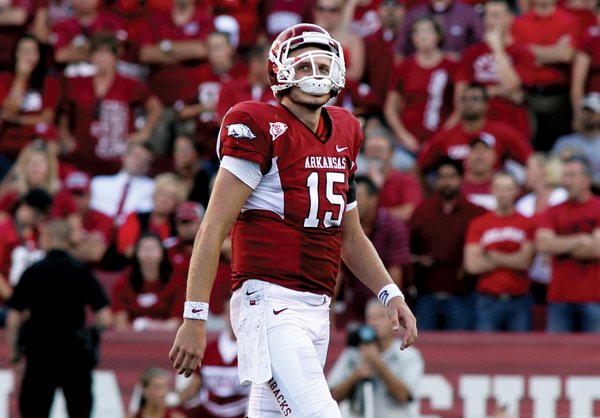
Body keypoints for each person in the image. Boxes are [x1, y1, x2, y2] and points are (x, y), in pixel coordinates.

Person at [169, 23, 417, 418]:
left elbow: (350, 237)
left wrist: (390, 293)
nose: (316, 74)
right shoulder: (256, 123)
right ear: (279, 74)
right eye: (304, 67)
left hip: (317, 306)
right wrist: (195, 317)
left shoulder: (346, 129)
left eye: (323, 64)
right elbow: (213, 226)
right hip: (269, 302)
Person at [5, 219, 112, 418]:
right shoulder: (81, 271)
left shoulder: (32, 272)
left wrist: (15, 356)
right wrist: (91, 338)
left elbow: (13, 318)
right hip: (75, 354)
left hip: (39, 355)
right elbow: (104, 316)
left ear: (47, 238)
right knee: (79, 411)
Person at [59, 33, 163, 176]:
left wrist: (144, 133)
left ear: (115, 56)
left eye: (106, 53)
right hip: (82, 155)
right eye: (97, 53)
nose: (101, 58)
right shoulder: (77, 83)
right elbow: (64, 112)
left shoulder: (130, 84)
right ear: (90, 57)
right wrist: (65, 136)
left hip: (117, 157)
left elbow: (155, 107)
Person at [409, 157, 486, 330]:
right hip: (426, 295)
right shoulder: (422, 211)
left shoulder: (476, 213)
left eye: (451, 177)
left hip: (463, 296)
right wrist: (418, 260)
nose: (446, 182)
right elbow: (407, 248)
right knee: (422, 347)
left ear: (460, 179)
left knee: (461, 351)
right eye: (442, 177)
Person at [328, 299, 424, 418]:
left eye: (381, 317)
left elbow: (404, 395)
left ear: (394, 322)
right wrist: (355, 375)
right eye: (370, 318)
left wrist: (377, 363)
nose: (375, 322)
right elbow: (331, 396)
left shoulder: (408, 355)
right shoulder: (353, 353)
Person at [336, 175, 411, 328]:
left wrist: (388, 301)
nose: (350, 202)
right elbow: (338, 270)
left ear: (373, 199)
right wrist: (328, 302)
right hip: (355, 300)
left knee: (380, 321)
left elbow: (396, 271)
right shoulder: (341, 224)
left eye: (357, 197)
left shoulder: (392, 226)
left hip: (382, 298)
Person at [535, 156, 600, 332]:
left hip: (594, 298)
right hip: (559, 297)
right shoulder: (553, 211)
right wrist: (581, 240)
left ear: (587, 179)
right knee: (556, 357)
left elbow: (596, 250)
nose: (566, 182)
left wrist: (558, 245)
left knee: (594, 356)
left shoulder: (598, 208)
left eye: (572, 175)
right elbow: (542, 244)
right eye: (565, 176)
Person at [464, 172, 535, 331]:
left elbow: (524, 262)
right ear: (492, 190)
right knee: (485, 352)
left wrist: (492, 256)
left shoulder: (527, 223)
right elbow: (472, 265)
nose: (503, 194)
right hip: (487, 299)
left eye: (508, 189)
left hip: (519, 299)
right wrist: (512, 258)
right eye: (499, 188)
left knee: (522, 352)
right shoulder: (479, 224)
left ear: (516, 191)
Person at [455, 0, 535, 138]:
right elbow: (461, 95)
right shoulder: (472, 53)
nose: (490, 21)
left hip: (512, 128)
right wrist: (497, 91)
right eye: (488, 15)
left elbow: (512, 85)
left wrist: (497, 48)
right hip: (476, 128)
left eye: (496, 15)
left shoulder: (523, 53)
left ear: (510, 18)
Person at [417, 83, 532, 174]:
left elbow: (530, 161)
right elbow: (418, 168)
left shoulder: (503, 132)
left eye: (475, 99)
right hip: (458, 197)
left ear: (486, 104)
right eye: (465, 100)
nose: (469, 104)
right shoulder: (445, 136)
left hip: (493, 195)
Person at [511, 0, 578, 151]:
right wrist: (554, 51)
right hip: (528, 95)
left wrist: (530, 52)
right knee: (528, 145)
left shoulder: (569, 20)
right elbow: (516, 54)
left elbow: (566, 55)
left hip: (558, 96)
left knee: (559, 147)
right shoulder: (520, 22)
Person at [385, 17, 456, 152]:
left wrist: (438, 139)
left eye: (427, 31)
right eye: (417, 32)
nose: (422, 36)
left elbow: (458, 108)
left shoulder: (451, 66)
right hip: (407, 141)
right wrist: (403, 136)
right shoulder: (404, 67)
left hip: (441, 141)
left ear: (438, 36)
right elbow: (390, 108)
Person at [175, 299, 250, 418]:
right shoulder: (208, 349)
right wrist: (171, 401)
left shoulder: (255, 351)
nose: (236, 316)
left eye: (241, 312)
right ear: (224, 315)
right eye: (232, 312)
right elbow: (193, 387)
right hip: (207, 413)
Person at [0, 34, 59, 170]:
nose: (27, 56)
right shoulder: (4, 79)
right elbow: (9, 110)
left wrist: (18, 119)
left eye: (32, 51)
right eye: (23, 51)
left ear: (39, 56)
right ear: (16, 54)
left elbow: (46, 117)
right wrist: (21, 78)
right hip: (7, 146)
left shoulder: (49, 83)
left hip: (35, 146)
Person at [112, 232, 185, 332]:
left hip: (168, 340)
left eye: (153, 248)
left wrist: (148, 326)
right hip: (132, 340)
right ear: (136, 253)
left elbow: (177, 322)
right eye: (144, 248)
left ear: (162, 253)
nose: (148, 252)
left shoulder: (176, 282)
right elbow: (120, 323)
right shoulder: (124, 282)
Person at [116, 172, 187, 258]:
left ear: (177, 203)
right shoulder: (135, 217)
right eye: (162, 194)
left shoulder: (178, 226)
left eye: (171, 197)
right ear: (154, 195)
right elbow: (127, 250)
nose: (164, 200)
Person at [360, 128, 423, 221]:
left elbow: (410, 212)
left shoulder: (407, 180)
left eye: (379, 150)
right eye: (370, 149)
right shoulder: (356, 181)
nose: (374, 154)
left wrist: (371, 216)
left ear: (391, 153)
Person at [90, 142, 155, 224]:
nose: (139, 162)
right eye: (136, 156)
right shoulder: (98, 183)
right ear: (125, 157)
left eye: (145, 160)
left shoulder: (152, 188)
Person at [395, 0, 483, 59]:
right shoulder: (414, 13)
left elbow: (480, 45)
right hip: (420, 73)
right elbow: (400, 49)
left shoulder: (468, 13)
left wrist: (461, 58)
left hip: (458, 73)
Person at [551, 93, 600, 188]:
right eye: (585, 111)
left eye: (593, 112)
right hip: (567, 192)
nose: (588, 116)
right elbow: (552, 175)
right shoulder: (564, 142)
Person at [462, 135, 499, 210]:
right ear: (467, 156)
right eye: (475, 150)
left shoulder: (504, 184)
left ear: (494, 156)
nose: (479, 156)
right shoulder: (457, 184)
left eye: (484, 150)